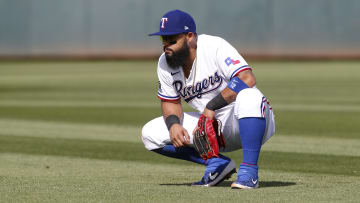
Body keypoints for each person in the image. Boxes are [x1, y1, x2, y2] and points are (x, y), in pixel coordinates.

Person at [141, 9, 275, 189]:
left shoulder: (214, 46)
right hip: (210, 128)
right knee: (150, 134)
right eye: (163, 40)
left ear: (190, 37)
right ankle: (217, 163)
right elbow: (169, 102)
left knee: (250, 95)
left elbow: (246, 78)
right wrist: (173, 125)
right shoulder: (165, 63)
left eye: (171, 39)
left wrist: (212, 106)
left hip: (245, 119)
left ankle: (249, 172)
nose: (166, 45)